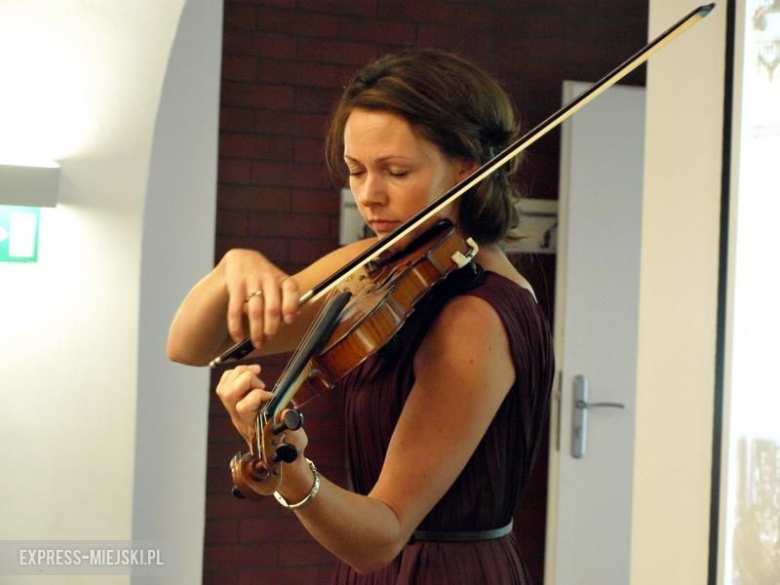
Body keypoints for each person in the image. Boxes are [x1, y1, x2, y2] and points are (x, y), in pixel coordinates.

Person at [167, 48, 555, 584]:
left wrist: (294, 473)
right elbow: (189, 345)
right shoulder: (378, 268)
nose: (369, 196)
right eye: (356, 171)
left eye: (397, 171)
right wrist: (233, 268)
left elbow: (382, 536)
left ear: (467, 166)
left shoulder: (478, 314)